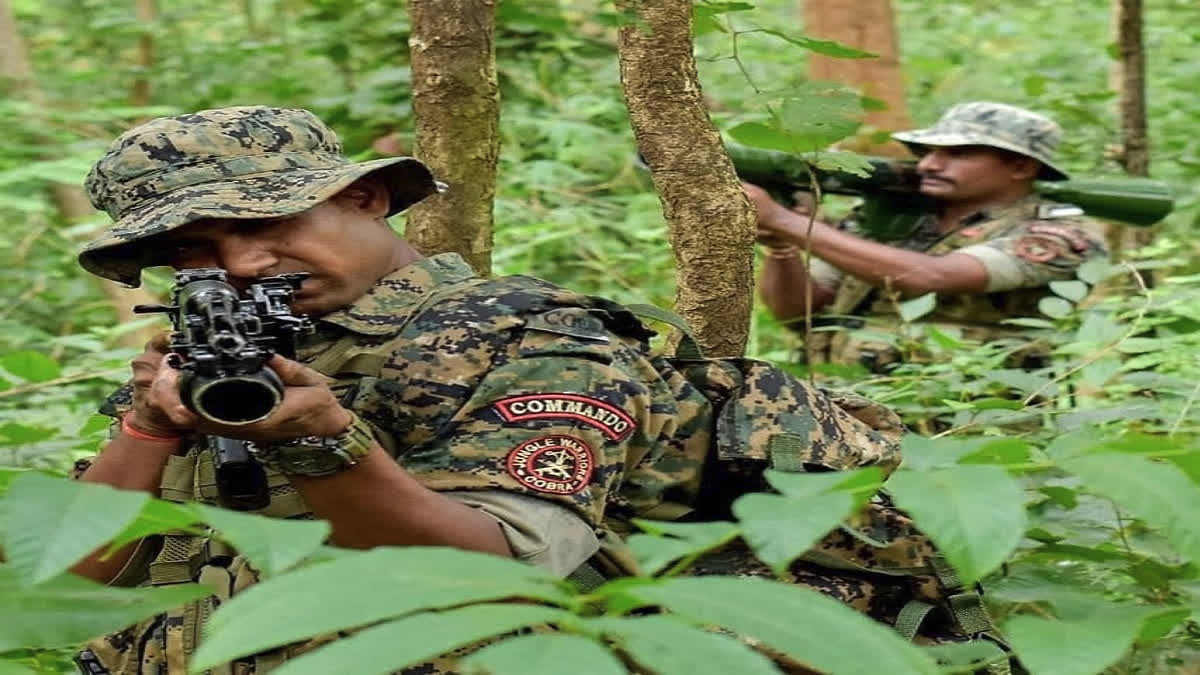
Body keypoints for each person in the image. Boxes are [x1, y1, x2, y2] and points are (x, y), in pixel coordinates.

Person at [70, 106, 995, 674]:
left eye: (265, 219)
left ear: (364, 199)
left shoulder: (529, 331)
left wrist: (319, 440)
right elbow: (72, 579)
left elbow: (500, 565)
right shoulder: (215, 346)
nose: (244, 262)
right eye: (194, 249)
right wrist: (151, 426)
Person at [745, 101, 1108, 372]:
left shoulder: (1059, 234)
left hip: (963, 418)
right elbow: (798, 313)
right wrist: (782, 246)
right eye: (929, 152)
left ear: (1021, 167)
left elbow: (931, 276)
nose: (928, 165)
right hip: (843, 404)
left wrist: (782, 220)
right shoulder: (888, 219)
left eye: (958, 154)